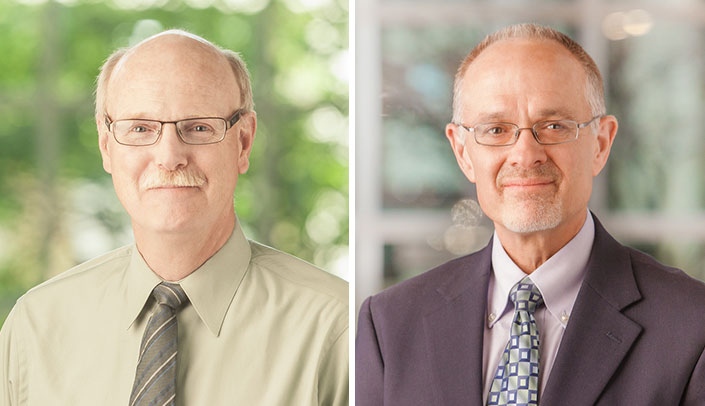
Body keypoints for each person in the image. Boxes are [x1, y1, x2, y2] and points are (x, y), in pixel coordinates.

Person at [356, 23, 705, 405]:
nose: (525, 154)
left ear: (601, 143)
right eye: (496, 129)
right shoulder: (389, 325)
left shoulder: (692, 327)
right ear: (462, 152)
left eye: (554, 125)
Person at [0, 30, 348, 405]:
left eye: (198, 127)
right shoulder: (35, 327)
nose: (169, 156)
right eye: (140, 128)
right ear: (106, 145)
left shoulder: (335, 327)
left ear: (243, 141)